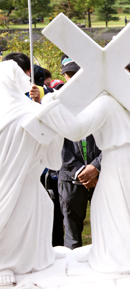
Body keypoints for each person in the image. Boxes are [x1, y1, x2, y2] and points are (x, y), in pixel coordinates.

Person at [37, 59, 130, 273]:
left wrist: (50, 106)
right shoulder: (127, 101)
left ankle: (126, 254)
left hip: (120, 160)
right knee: (124, 205)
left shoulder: (107, 102)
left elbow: (75, 130)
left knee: (115, 206)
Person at [0, 59, 63, 286]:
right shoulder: (32, 112)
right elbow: (53, 153)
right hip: (11, 182)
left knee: (41, 208)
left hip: (27, 180)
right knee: (16, 214)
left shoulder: (31, 111)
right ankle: (4, 263)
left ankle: (34, 256)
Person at [57, 56, 102, 249]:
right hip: (70, 178)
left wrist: (96, 166)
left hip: (101, 175)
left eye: (77, 74)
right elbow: (55, 142)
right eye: (69, 74)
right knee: (72, 232)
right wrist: (78, 171)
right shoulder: (56, 103)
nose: (73, 78)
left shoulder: (100, 100)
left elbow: (112, 137)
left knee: (106, 225)